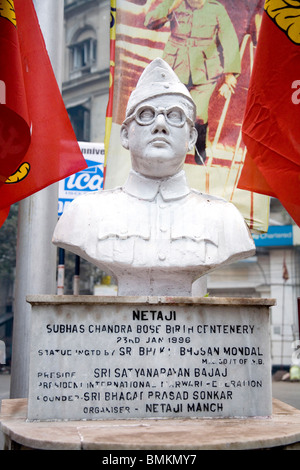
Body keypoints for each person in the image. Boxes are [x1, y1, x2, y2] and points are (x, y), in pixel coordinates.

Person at [52, 58, 255, 296]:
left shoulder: (225, 219)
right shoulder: (83, 214)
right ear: (126, 135)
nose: (160, 125)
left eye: (175, 115)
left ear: (191, 138)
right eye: (146, 114)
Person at [144, 0, 241, 164]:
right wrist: (171, 8)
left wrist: (230, 73)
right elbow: (150, 22)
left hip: (204, 70)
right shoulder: (175, 3)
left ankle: (199, 149)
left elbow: (229, 39)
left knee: (199, 114)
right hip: (175, 67)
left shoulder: (216, 9)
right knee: (170, 111)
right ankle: (169, 152)